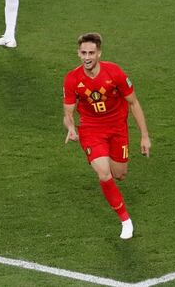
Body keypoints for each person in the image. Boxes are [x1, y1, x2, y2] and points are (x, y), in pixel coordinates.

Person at [62, 33, 151, 239]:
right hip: (91, 129)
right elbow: (68, 113)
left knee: (119, 174)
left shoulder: (114, 73)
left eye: (91, 53)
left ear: (99, 53)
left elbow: (133, 103)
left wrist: (144, 136)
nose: (87, 57)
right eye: (83, 53)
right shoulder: (72, 79)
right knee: (103, 173)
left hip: (117, 128)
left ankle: (103, 158)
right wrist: (71, 127)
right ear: (78, 53)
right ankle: (125, 221)